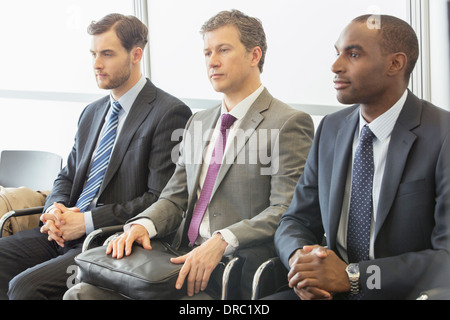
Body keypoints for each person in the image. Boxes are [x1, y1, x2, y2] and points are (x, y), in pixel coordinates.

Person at [64, 9, 315, 300]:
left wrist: (223, 240)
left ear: (254, 55)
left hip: (228, 269)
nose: (213, 61)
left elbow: (283, 210)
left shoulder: (288, 122)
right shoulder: (199, 121)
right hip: (174, 256)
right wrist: (142, 224)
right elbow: (174, 197)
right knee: (80, 294)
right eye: (207, 52)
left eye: (223, 50)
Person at [0, 13, 192, 300]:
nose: (96, 64)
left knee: (25, 288)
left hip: (110, 241)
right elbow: (67, 174)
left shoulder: (169, 112)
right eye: (93, 54)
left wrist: (87, 221)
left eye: (107, 54)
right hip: (62, 234)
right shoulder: (92, 112)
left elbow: (158, 199)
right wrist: (55, 209)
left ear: (136, 54)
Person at [269, 14, 450, 300]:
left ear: (395, 63)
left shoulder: (443, 135)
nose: (335, 66)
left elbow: (446, 258)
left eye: (353, 54)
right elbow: (296, 221)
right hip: (325, 292)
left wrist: (354, 277)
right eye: (337, 52)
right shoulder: (331, 127)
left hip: (400, 293)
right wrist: (300, 263)